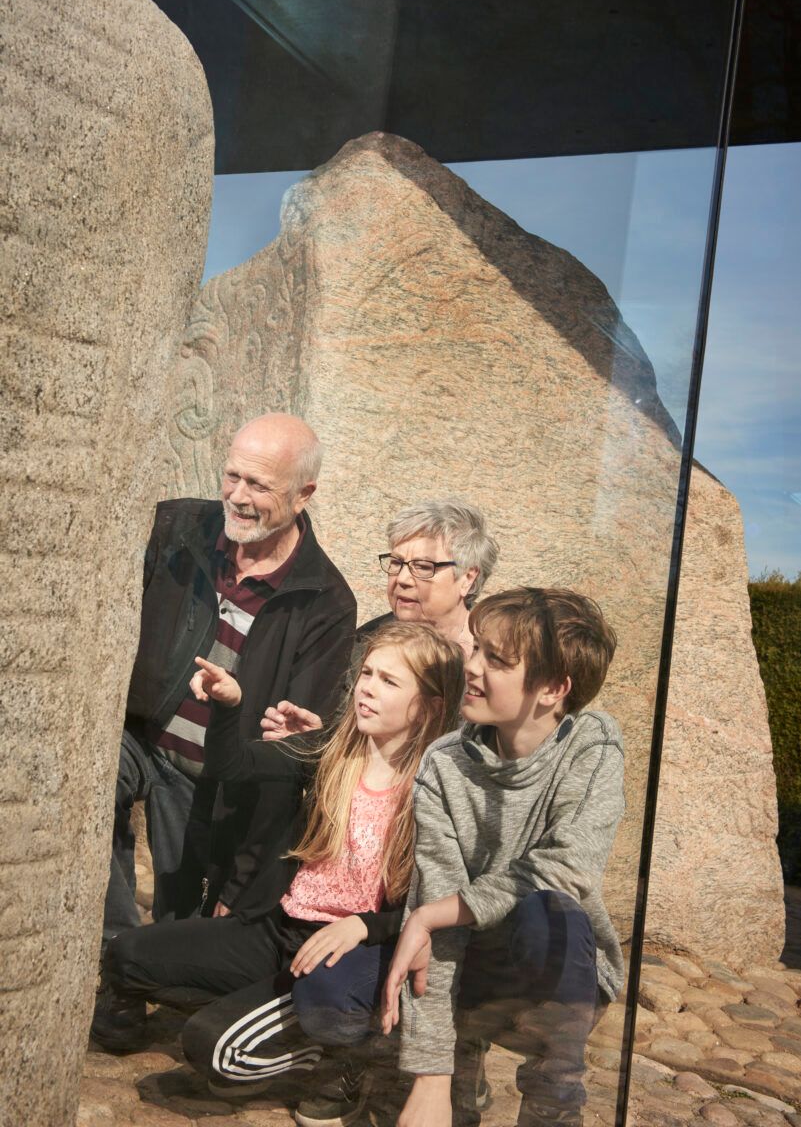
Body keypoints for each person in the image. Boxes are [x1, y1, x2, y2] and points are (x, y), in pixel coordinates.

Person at [101, 622, 465, 1127]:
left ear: (427, 706)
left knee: (214, 1049)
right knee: (127, 954)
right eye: (366, 673)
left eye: (389, 681)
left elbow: (437, 902)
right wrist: (228, 707)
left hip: (350, 952)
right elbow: (232, 766)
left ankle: (338, 1056)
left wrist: (364, 925)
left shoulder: (436, 786)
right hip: (280, 931)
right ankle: (270, 1013)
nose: (367, 688)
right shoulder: (329, 750)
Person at [93, 413, 356, 1048]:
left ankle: (135, 969)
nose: (237, 496)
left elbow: (292, 748)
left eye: (259, 485)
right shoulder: (176, 528)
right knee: (87, 786)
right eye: (232, 476)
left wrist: (243, 878)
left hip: (213, 780)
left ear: (304, 494)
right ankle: (109, 961)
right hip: (141, 737)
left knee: (179, 924)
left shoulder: (325, 601)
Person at [381, 587, 625, 1127]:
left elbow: (568, 867)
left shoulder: (592, 746)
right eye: (476, 649)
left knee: (553, 913)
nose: (471, 667)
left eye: (496, 660)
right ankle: (460, 1066)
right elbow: (436, 920)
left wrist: (438, 912)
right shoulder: (444, 763)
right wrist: (430, 1076)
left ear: (553, 688)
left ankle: (553, 1106)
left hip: (556, 966)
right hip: (474, 965)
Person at [261, 498, 499, 741]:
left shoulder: (494, 661)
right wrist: (316, 740)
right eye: (396, 563)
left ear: (468, 578)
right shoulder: (364, 644)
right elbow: (348, 738)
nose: (402, 579)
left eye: (423, 567)